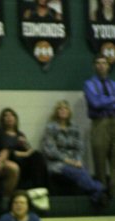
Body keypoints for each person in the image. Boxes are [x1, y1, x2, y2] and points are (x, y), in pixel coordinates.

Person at [41, 100, 107, 204]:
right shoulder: (50, 128)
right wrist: (69, 161)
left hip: (75, 162)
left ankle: (96, 195)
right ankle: (101, 188)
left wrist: (78, 161)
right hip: (57, 164)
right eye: (60, 108)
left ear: (69, 111)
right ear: (56, 112)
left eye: (65, 108)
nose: (63, 110)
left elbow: (80, 148)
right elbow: (50, 150)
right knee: (79, 172)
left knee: (82, 170)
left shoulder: (74, 127)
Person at [83, 54, 115, 195]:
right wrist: (112, 99)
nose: (101, 65)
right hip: (99, 123)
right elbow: (95, 103)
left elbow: (101, 101)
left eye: (104, 63)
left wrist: (105, 100)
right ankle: (101, 192)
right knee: (100, 160)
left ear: (109, 66)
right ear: (94, 66)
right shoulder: (89, 84)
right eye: (98, 63)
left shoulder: (113, 84)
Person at [0, 108, 49, 191]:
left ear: (15, 118)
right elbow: (7, 151)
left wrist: (25, 144)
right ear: (3, 120)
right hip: (12, 160)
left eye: (12, 115)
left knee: (37, 156)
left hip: (24, 160)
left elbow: (29, 149)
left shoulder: (20, 134)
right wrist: (25, 154)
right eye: (6, 116)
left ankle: (42, 188)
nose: (9, 117)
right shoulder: (1, 134)